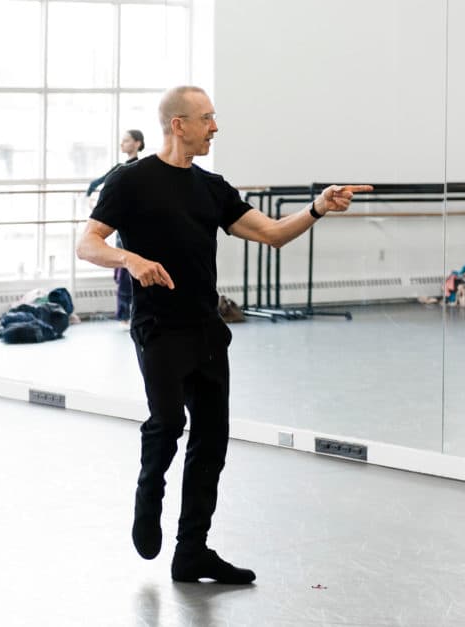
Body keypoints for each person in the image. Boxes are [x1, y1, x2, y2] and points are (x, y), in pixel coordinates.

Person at [76, 86, 370, 584]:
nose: (215, 127)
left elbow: (273, 233)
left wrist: (316, 208)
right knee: (167, 424)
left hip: (207, 331)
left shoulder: (212, 188)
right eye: (207, 118)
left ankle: (192, 551)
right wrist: (132, 259)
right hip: (159, 329)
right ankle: (149, 496)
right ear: (178, 125)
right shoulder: (132, 181)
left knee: (211, 442)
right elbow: (88, 244)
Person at [86, 130, 146, 325]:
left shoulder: (136, 170)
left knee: (126, 272)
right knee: (122, 271)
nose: (122, 144)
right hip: (122, 227)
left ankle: (125, 315)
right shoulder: (121, 170)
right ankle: (124, 315)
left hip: (131, 228)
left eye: (126, 141)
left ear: (137, 144)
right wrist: (93, 202)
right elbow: (95, 184)